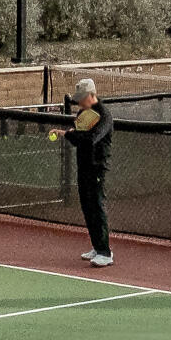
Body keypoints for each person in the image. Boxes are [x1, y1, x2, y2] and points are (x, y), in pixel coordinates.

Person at [57, 78, 115, 267]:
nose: (79, 102)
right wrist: (69, 134)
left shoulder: (104, 116)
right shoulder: (83, 113)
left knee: (96, 207)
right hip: (83, 167)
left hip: (97, 167)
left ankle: (105, 253)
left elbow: (91, 139)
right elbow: (78, 139)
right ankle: (97, 247)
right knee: (86, 207)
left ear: (91, 95)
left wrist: (70, 134)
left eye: (82, 98)